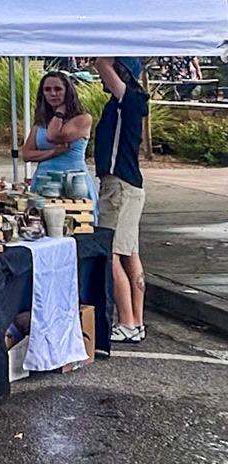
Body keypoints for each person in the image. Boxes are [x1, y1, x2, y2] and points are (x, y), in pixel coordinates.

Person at [95, 56, 151, 342]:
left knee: (111, 253)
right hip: (131, 186)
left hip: (118, 185)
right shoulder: (135, 101)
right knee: (130, 253)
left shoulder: (126, 99)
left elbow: (101, 63)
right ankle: (136, 322)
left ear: (122, 73)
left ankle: (127, 321)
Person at [20, 69, 97, 202]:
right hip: (44, 182)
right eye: (47, 90)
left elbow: (53, 136)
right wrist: (54, 152)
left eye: (58, 89)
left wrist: (60, 112)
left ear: (68, 92)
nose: (53, 94)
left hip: (73, 184)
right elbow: (26, 154)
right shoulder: (41, 122)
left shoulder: (83, 118)